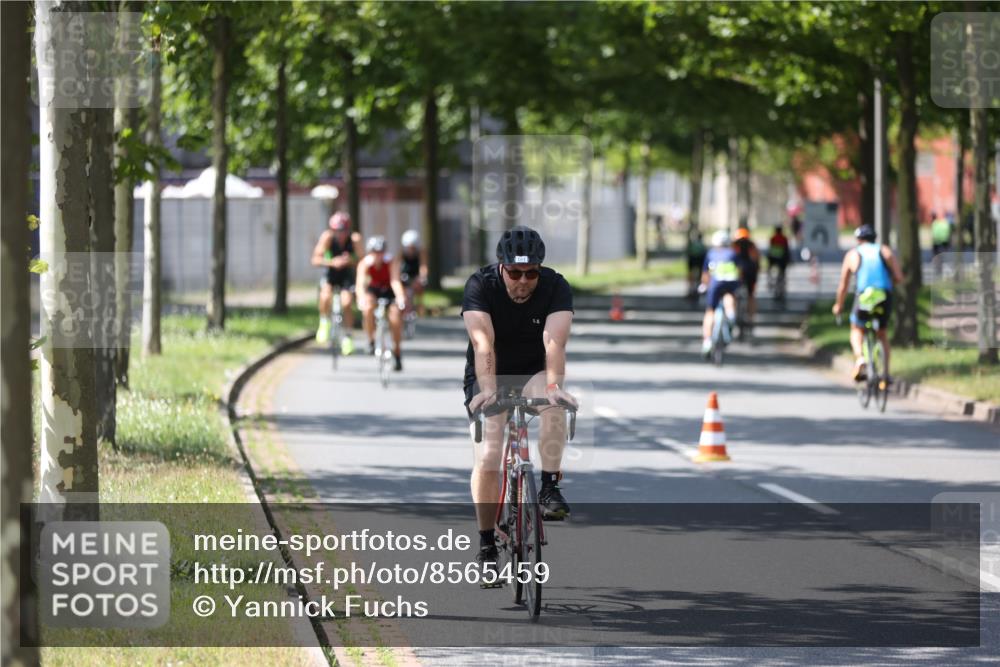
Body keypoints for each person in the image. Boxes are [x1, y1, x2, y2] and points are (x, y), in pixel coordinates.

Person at [462, 225, 578, 572]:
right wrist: (487, 390)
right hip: (489, 374)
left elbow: (554, 343)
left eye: (531, 273)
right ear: (502, 267)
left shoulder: (556, 286)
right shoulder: (480, 285)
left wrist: (555, 387)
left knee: (553, 402)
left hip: (533, 372)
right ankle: (486, 544)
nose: (523, 280)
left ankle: (548, 487)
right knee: (490, 455)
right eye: (515, 272)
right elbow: (483, 342)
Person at [832, 225, 905, 382]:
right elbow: (899, 277)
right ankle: (885, 374)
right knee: (882, 333)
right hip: (883, 296)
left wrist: (839, 305)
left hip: (864, 296)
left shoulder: (853, 254)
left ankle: (860, 359)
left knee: (857, 328)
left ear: (858, 240)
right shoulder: (885, 251)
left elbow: (843, 285)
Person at [356, 236, 406, 371]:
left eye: (380, 252)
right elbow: (360, 284)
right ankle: (371, 340)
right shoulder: (365, 263)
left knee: (395, 318)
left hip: (388, 290)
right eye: (374, 252)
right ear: (369, 252)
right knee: (367, 309)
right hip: (373, 289)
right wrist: (361, 298)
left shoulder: (390, 261)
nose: (378, 255)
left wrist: (400, 297)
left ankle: (397, 351)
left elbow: (395, 281)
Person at [311, 212, 357, 353]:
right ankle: (324, 322)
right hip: (331, 273)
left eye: (343, 231)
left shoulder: (354, 239)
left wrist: (350, 260)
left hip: (346, 275)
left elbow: (362, 258)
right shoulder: (327, 238)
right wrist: (332, 262)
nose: (340, 234)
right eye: (337, 231)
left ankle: (348, 336)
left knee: (347, 302)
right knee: (325, 296)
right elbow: (315, 259)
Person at [701, 230, 741, 357]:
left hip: (715, 284)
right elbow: (739, 271)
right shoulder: (733, 253)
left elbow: (705, 274)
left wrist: (704, 285)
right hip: (730, 282)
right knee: (729, 296)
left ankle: (707, 342)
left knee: (710, 311)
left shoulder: (711, 253)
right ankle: (731, 317)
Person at [733, 227, 761, 331]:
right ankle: (751, 319)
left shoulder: (735, 245)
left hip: (738, 274)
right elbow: (757, 259)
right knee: (751, 295)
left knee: (734, 294)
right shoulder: (752, 245)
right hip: (751, 273)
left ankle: (734, 314)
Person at [399, 229, 428, 318]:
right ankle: (404, 309)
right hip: (405, 274)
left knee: (419, 288)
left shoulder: (421, 252)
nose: (410, 249)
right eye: (408, 247)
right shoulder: (401, 253)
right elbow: (397, 266)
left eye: (412, 247)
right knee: (404, 291)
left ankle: (420, 309)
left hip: (416, 274)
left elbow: (423, 266)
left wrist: (422, 277)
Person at [685, 228, 707, 300]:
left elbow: (688, 252)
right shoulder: (702, 245)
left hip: (693, 259)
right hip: (699, 259)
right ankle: (698, 288)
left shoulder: (692, 244)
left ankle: (692, 289)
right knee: (698, 275)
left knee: (691, 275)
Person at [766, 225, 790, 292]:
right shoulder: (784, 238)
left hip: (773, 257)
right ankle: (782, 281)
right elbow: (787, 248)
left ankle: (769, 280)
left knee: (769, 269)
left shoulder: (773, 238)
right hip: (782, 258)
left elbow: (770, 248)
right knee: (782, 271)